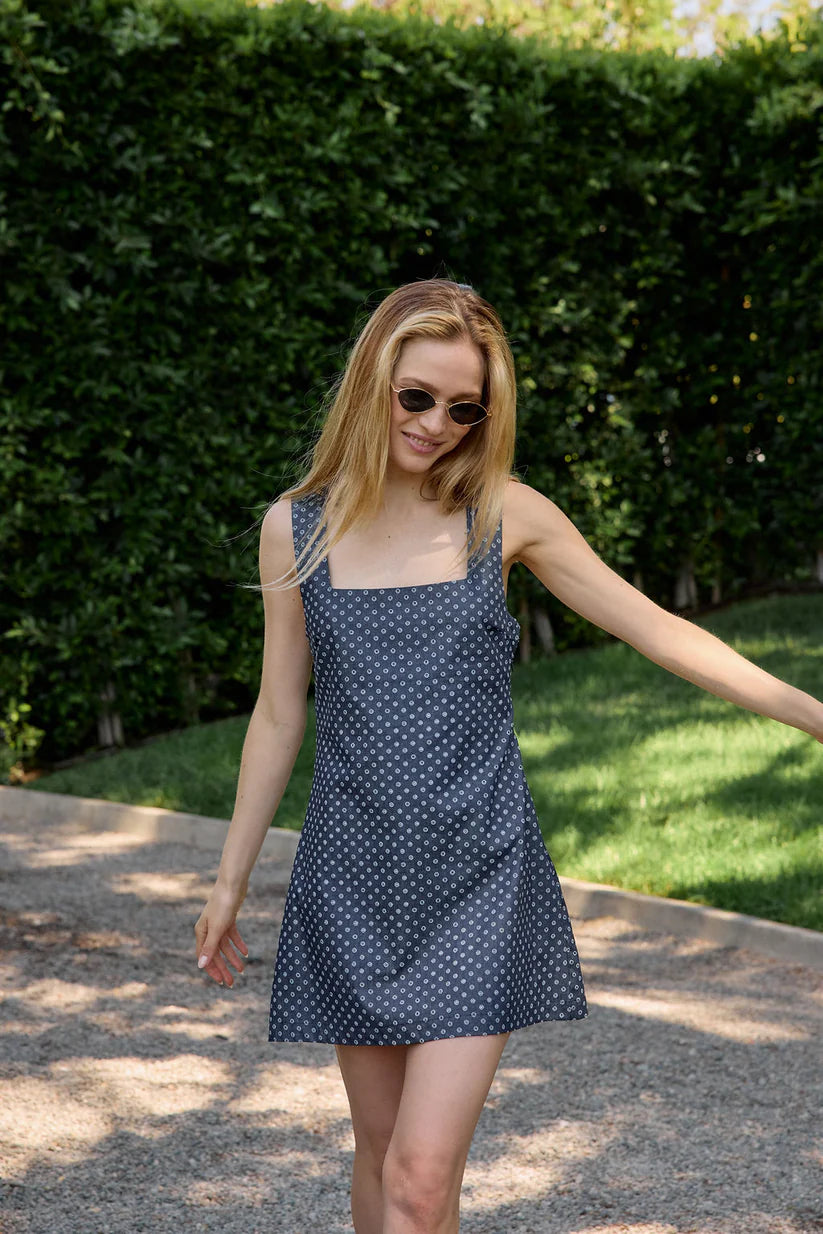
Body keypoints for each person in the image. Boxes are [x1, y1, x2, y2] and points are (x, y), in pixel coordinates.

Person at [194, 278, 823, 1234]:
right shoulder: (299, 528)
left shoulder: (505, 516)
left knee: (418, 1173)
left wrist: (814, 715)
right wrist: (229, 880)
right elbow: (278, 714)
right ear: (372, 380)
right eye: (416, 397)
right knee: (377, 1159)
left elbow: (662, 633)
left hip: (478, 880)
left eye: (462, 409)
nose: (436, 424)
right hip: (350, 879)